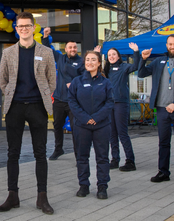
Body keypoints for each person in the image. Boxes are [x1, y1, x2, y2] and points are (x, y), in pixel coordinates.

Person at [0, 12, 56, 215]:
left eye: (27, 26)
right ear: (16, 28)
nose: (24, 29)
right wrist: (12, 94)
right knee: (13, 153)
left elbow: (52, 81)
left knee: (40, 153)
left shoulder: (46, 52)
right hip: (15, 107)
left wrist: (43, 96)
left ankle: (42, 197)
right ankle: (12, 195)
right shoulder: (8, 53)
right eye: (20, 26)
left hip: (37, 107)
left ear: (33, 27)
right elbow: (3, 80)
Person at [138, 35, 174, 187]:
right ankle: (163, 172)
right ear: (166, 45)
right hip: (162, 109)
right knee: (163, 142)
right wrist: (142, 59)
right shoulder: (158, 61)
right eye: (170, 44)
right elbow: (141, 73)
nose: (173, 46)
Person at [68, 50, 114, 200]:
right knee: (82, 156)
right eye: (87, 59)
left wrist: (96, 118)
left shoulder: (106, 82)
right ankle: (84, 185)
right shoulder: (77, 82)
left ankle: (102, 186)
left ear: (99, 63)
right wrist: (86, 118)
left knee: (102, 157)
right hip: (82, 125)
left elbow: (110, 102)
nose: (90, 62)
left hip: (102, 125)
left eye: (93, 60)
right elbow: (72, 102)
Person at [41, 27, 86, 160]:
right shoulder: (60, 58)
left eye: (74, 47)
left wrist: (74, 83)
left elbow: (85, 79)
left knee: (75, 128)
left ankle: (78, 154)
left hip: (73, 101)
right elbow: (47, 49)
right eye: (70, 47)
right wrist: (45, 36)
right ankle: (58, 149)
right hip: (59, 100)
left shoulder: (81, 62)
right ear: (65, 49)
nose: (72, 49)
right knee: (57, 126)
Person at [103, 43, 140, 172]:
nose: (112, 56)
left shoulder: (124, 67)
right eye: (109, 55)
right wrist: (96, 53)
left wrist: (136, 52)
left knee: (122, 133)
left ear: (118, 56)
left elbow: (136, 66)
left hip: (121, 104)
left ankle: (130, 161)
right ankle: (115, 159)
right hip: (109, 104)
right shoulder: (106, 71)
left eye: (114, 54)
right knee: (112, 134)